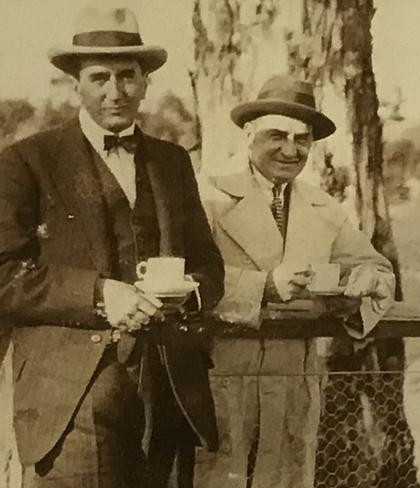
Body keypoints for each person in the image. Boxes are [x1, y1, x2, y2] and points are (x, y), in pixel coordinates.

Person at [0, 6, 224, 487]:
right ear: (74, 84)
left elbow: (208, 265)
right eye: (99, 76)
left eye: (128, 76)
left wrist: (189, 290)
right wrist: (101, 295)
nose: (115, 91)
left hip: (167, 390)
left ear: (146, 82)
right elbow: (4, 275)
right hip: (72, 398)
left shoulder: (172, 162)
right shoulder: (26, 161)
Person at [197, 74, 396, 488]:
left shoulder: (323, 208)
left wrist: (356, 289)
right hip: (221, 372)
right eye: (276, 135)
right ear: (248, 134)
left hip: (294, 377)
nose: (290, 150)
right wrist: (264, 287)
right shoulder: (207, 196)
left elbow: (379, 272)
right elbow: (184, 275)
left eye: (301, 139)